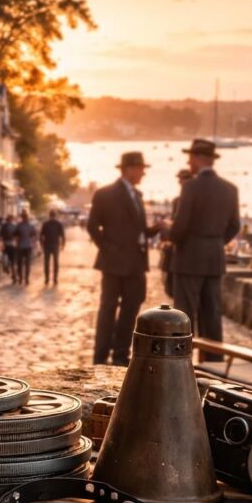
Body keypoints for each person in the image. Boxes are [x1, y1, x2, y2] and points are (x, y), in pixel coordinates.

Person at [87, 151, 164, 366]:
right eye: (140, 169)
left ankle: (120, 354)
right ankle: (100, 356)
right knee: (108, 308)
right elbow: (92, 226)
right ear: (128, 169)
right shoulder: (105, 193)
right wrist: (108, 249)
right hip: (113, 263)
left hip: (136, 264)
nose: (143, 173)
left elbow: (137, 229)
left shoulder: (137, 195)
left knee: (132, 307)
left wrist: (153, 229)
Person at [170, 139, 241, 359]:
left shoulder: (190, 187)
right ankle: (214, 365)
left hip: (189, 258)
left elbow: (180, 226)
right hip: (214, 257)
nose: (188, 162)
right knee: (212, 314)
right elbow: (235, 225)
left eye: (190, 157)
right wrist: (216, 242)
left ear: (198, 159)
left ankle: (180, 364)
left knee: (184, 315)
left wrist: (171, 235)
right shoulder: (230, 189)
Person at [160, 168, 193, 297]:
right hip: (175, 250)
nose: (181, 184)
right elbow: (175, 221)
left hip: (188, 251)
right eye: (180, 181)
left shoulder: (192, 200)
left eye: (183, 180)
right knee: (172, 288)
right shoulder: (176, 201)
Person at [39, 209, 66, 285]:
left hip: (47, 245)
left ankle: (47, 279)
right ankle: (55, 279)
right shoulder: (58, 224)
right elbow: (63, 236)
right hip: (55, 245)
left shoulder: (45, 224)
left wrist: (41, 245)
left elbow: (41, 235)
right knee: (56, 263)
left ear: (49, 215)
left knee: (47, 263)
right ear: (55, 215)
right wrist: (63, 245)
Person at [13, 210, 37, 285]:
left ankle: (20, 278)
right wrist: (32, 242)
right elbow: (34, 235)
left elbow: (14, 235)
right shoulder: (31, 226)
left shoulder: (18, 226)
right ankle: (26, 279)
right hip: (28, 246)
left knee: (20, 263)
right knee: (27, 263)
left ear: (22, 218)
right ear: (28, 218)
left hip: (20, 246)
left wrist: (17, 240)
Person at [0, 214, 17, 280]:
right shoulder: (6, 226)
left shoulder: (12, 226)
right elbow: (0, 236)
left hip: (9, 245)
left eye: (11, 219)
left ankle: (13, 274)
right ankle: (12, 273)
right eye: (10, 219)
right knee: (9, 260)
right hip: (8, 245)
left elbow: (0, 236)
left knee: (10, 260)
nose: (10, 220)